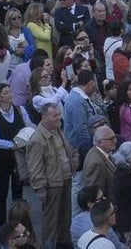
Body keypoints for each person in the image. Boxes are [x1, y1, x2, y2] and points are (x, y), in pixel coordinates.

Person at [27, 102, 77, 249]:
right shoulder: (37, 139)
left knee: (65, 218)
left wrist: (74, 162)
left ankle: (64, 244)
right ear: (43, 117)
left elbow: (69, 149)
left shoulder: (58, 131)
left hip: (66, 179)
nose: (58, 118)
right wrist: (40, 188)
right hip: (52, 185)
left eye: (59, 115)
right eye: (55, 115)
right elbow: (35, 167)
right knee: (51, 221)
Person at [0, 82, 32, 223]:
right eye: (6, 93)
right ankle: (2, 222)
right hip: (2, 159)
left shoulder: (19, 110)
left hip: (19, 157)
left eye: (10, 92)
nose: (10, 94)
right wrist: (13, 145)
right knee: (2, 190)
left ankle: (18, 219)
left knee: (18, 189)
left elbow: (29, 126)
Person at [81, 126, 117, 200]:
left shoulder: (99, 153)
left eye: (114, 138)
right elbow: (95, 194)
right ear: (100, 142)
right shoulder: (96, 163)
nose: (115, 141)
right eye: (111, 139)